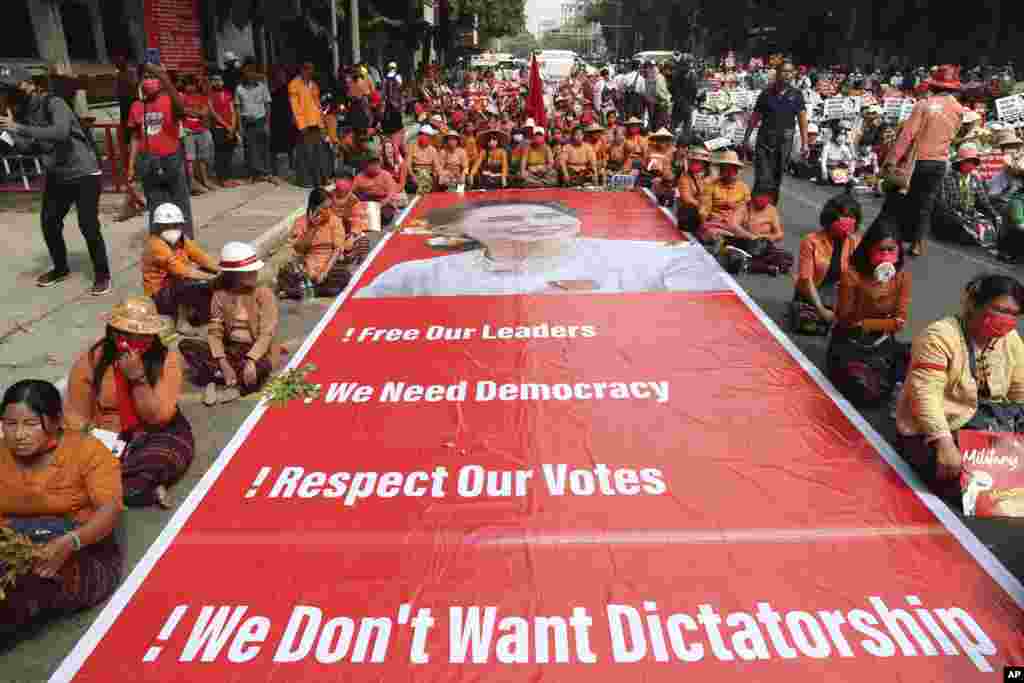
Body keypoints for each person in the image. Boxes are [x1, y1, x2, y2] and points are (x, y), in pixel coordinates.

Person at [355, 199, 725, 298]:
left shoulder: (638, 259)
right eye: (499, 220)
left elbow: (702, 279)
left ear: (574, 225)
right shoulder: (419, 276)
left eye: (539, 217)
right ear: (469, 231)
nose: (522, 224)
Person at [0, 380, 122, 636]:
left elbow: (109, 511)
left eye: (31, 424)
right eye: (10, 424)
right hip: (12, 543)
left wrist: (71, 542)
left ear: (56, 422)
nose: (19, 434)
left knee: (28, 588)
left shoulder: (87, 451)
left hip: (81, 548)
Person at [896, 275, 1024, 496]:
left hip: (984, 421)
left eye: (1013, 314)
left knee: (1005, 484)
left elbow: (1019, 391)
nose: (1006, 319)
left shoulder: (1010, 339)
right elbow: (926, 395)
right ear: (974, 304)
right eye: (999, 309)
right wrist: (944, 443)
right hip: (936, 430)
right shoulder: (939, 336)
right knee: (979, 488)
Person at [65, 298, 192, 508]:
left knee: (162, 457)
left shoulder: (166, 359)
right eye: (127, 335)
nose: (135, 342)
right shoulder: (91, 360)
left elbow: (157, 417)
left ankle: (129, 484)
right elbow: (76, 414)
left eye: (143, 336)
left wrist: (138, 379)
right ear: (114, 334)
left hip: (154, 433)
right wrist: (96, 438)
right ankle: (137, 486)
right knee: (76, 467)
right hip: (108, 437)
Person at [0, 65, 112, 295]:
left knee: (88, 224)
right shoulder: (24, 112)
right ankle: (61, 268)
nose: (10, 94)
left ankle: (102, 275)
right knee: (49, 222)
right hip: (58, 175)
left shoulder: (54, 103)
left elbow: (60, 132)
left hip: (83, 172)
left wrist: (18, 127)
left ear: (29, 84)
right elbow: (31, 148)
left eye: (13, 88)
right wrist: (9, 135)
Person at [179, 242, 278, 407]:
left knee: (260, 369)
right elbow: (215, 331)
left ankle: (221, 380)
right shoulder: (219, 295)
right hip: (230, 348)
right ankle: (223, 375)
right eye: (248, 272)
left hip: (254, 349)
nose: (254, 274)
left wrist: (252, 361)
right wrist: (224, 363)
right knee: (187, 346)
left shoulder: (263, 293)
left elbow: (267, 333)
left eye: (254, 270)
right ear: (234, 275)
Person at [828, 215, 912, 406]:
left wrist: (867, 324)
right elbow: (845, 320)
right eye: (880, 250)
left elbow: (899, 322)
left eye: (891, 250)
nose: (886, 255)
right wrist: (868, 291)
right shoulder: (852, 276)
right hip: (850, 341)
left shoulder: (902, 278)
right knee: (862, 388)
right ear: (868, 250)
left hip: (880, 341)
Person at [882, 65, 965, 257]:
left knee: (898, 198)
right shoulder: (959, 110)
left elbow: (907, 135)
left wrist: (892, 160)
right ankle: (918, 243)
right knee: (926, 204)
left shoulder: (923, 105)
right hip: (939, 162)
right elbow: (955, 135)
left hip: (916, 160)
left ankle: (891, 237)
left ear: (933, 85)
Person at [126, 62, 195, 239]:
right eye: (146, 77)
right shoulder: (136, 106)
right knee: (156, 205)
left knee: (180, 203)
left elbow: (181, 110)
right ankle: (160, 243)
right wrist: (131, 165)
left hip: (171, 159)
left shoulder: (171, 99)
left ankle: (186, 241)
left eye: (153, 77)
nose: (149, 80)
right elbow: (135, 137)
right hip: (148, 161)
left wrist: (165, 78)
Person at [142, 202, 219, 336]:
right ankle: (181, 323)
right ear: (158, 226)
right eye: (167, 226)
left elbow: (200, 256)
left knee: (206, 275)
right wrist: (212, 277)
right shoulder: (155, 245)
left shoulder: (181, 239)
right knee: (187, 281)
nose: (172, 229)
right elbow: (181, 270)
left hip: (174, 286)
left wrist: (219, 270)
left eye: (175, 225)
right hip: (160, 294)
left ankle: (203, 315)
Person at [791, 193, 863, 335]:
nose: (848, 221)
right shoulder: (811, 241)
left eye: (852, 217)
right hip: (813, 293)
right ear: (830, 217)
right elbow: (807, 280)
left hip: (838, 294)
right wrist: (821, 309)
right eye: (844, 216)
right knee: (808, 326)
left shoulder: (856, 242)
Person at [743, 61, 809, 207]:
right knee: (762, 176)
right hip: (765, 138)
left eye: (791, 72)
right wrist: (746, 138)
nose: (788, 75)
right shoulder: (766, 93)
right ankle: (754, 208)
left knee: (776, 177)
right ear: (777, 73)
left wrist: (805, 144)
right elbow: (755, 117)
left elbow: (803, 120)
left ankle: (770, 209)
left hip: (785, 140)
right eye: (784, 71)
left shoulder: (796, 95)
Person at [279, 188, 358, 300]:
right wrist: (312, 228)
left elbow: (337, 249)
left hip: (329, 265)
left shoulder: (335, 221)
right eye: (324, 208)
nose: (328, 212)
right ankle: (306, 289)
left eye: (330, 208)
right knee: (285, 273)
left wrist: (324, 272)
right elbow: (299, 249)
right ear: (313, 207)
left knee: (344, 275)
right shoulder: (301, 222)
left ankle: (299, 291)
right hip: (307, 266)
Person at [933, 144, 1000, 246]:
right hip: (951, 214)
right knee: (951, 222)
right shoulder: (947, 177)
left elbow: (984, 201)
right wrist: (961, 217)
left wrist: (995, 215)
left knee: (988, 225)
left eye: (973, 162)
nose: (971, 165)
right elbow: (943, 203)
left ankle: (970, 233)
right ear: (960, 162)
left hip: (968, 215)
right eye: (968, 162)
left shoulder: (975, 179)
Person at [698, 150, 751, 245]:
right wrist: (704, 218)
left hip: (736, 226)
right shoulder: (711, 186)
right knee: (711, 234)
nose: (729, 172)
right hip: (716, 225)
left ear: (736, 170)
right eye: (726, 168)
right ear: (721, 170)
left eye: (732, 169)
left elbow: (747, 211)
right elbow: (704, 210)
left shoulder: (744, 188)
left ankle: (734, 238)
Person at [235, 64, 276, 185]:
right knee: (249, 150)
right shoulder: (239, 89)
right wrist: (240, 126)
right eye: (247, 73)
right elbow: (237, 108)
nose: (250, 75)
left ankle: (267, 173)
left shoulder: (262, 87)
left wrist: (267, 124)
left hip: (261, 120)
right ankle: (253, 175)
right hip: (247, 122)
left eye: (252, 72)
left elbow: (267, 105)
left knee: (263, 148)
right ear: (244, 75)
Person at [289, 62, 326, 188]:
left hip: (315, 122)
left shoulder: (313, 85)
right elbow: (295, 106)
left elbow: (318, 105)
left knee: (317, 153)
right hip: (305, 124)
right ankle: (306, 181)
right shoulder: (294, 85)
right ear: (302, 70)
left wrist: (321, 124)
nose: (310, 72)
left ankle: (318, 180)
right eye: (307, 69)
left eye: (311, 69)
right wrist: (301, 124)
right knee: (305, 154)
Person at [180, 75, 215, 194]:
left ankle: (205, 180)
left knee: (203, 158)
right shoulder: (181, 97)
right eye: (188, 85)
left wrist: (190, 112)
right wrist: (196, 112)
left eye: (192, 84)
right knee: (190, 159)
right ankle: (192, 184)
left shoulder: (201, 97)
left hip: (202, 130)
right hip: (187, 131)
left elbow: (205, 112)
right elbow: (181, 110)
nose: (190, 87)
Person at [208, 73, 242, 188]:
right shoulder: (209, 95)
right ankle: (221, 178)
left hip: (230, 128)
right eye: (215, 80)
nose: (218, 82)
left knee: (229, 154)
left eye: (219, 80)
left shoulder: (228, 94)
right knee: (220, 154)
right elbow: (213, 113)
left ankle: (228, 177)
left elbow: (233, 111)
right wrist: (227, 126)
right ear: (211, 82)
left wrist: (233, 126)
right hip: (218, 128)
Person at [353, 156, 402, 225]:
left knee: (385, 217)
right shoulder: (359, 176)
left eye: (377, 163)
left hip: (383, 202)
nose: (375, 166)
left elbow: (391, 194)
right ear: (366, 166)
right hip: (366, 202)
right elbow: (351, 192)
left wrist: (381, 204)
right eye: (372, 164)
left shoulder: (386, 175)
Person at [677, 146, 710, 237]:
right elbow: (687, 198)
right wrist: (702, 206)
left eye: (697, 161)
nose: (693, 163)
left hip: (710, 210)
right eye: (692, 161)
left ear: (704, 164)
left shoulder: (711, 178)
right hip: (694, 211)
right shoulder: (684, 177)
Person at [407, 125, 441, 194]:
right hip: (416, 173)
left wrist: (443, 174)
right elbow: (408, 165)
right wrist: (412, 176)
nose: (430, 139)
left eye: (430, 137)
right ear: (421, 136)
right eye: (428, 136)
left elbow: (437, 167)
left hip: (428, 175)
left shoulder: (432, 149)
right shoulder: (412, 146)